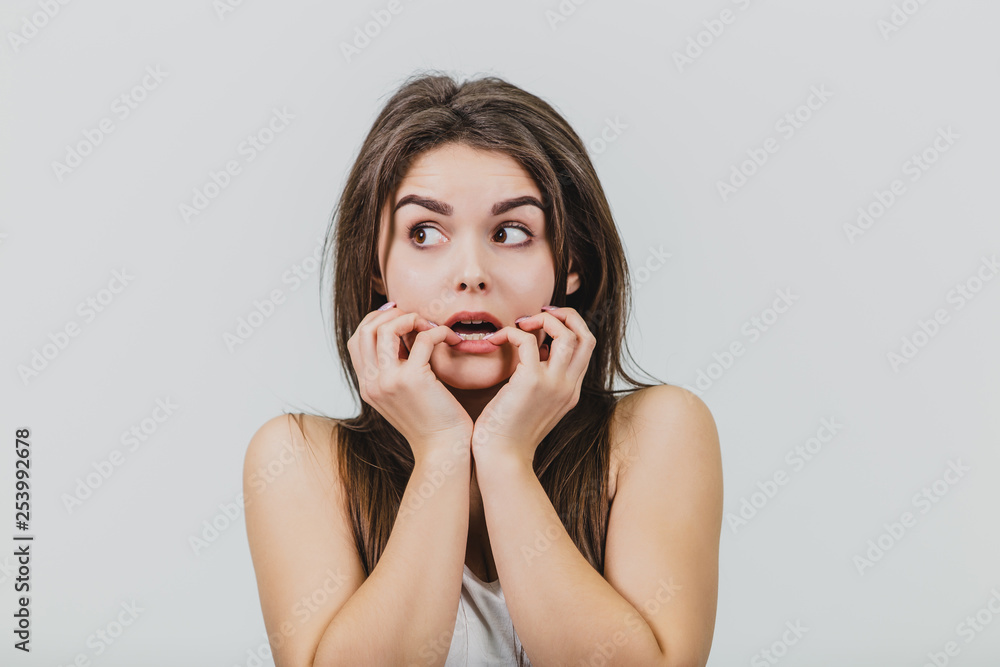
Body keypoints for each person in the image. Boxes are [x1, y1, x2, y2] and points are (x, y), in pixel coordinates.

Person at [243, 71, 723, 667]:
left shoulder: (658, 430)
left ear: (570, 263)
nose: (470, 271)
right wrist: (442, 448)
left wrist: (504, 455)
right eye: (424, 233)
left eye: (512, 232)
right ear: (375, 266)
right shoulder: (299, 457)